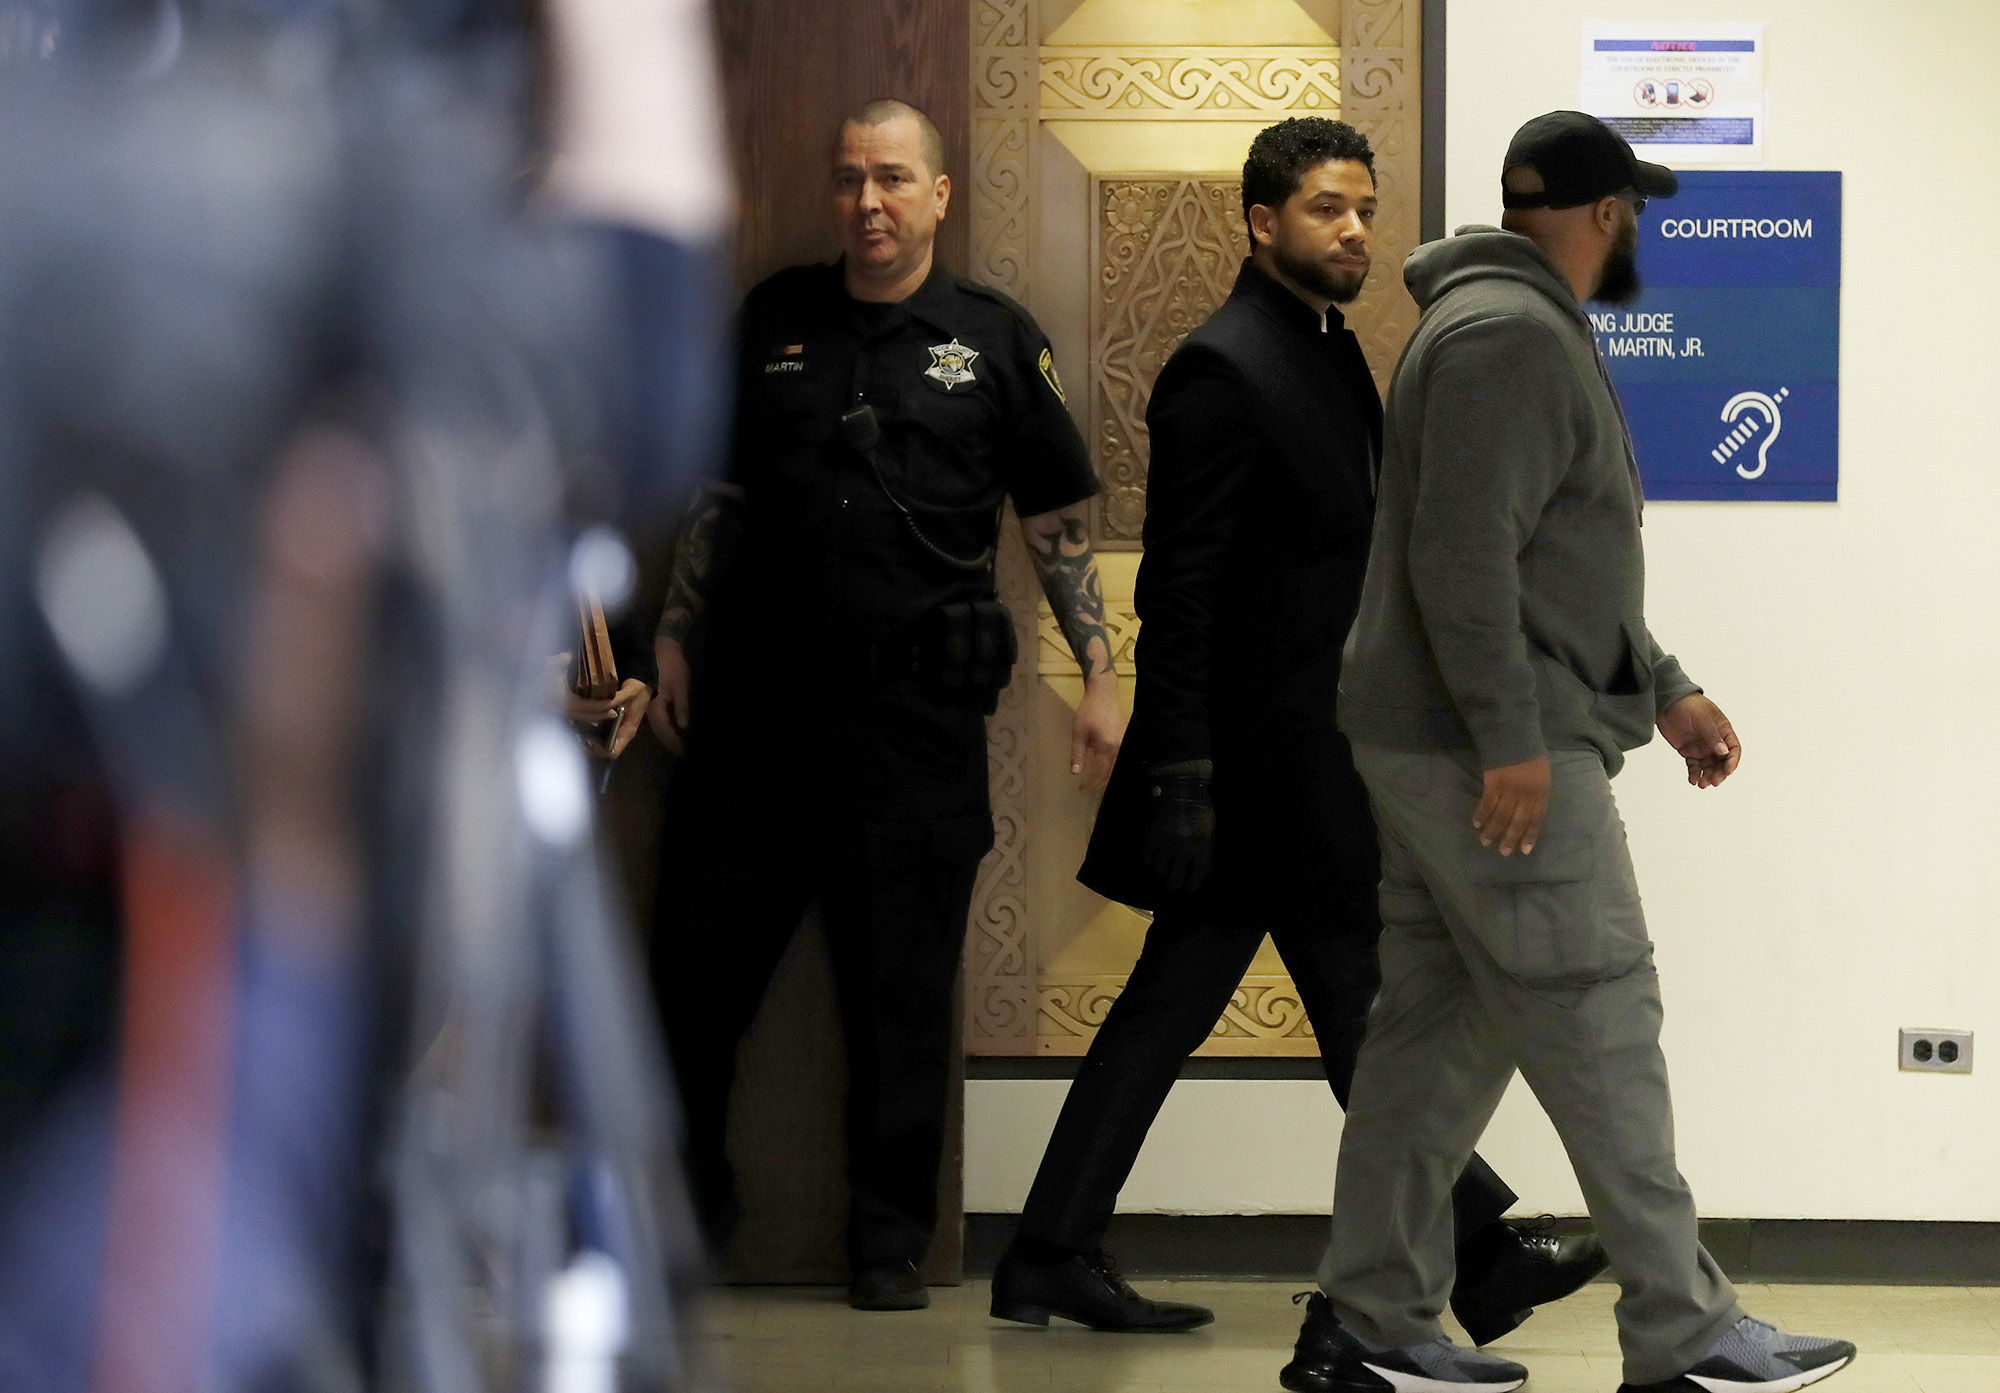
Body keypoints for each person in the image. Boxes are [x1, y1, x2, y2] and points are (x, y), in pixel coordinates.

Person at [988, 118, 1605, 1339]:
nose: (1354, 231)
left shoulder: (1325, 353)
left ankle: (1048, 1249)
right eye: (1327, 209)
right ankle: (1475, 1249)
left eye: (1364, 209)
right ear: (1261, 222)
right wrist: (1178, 769)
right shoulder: (1222, 366)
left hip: (1305, 763)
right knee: (1354, 1002)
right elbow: (1182, 587)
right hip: (1248, 772)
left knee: (1216, 1006)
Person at [1279, 112, 1856, 1393]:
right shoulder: (1507, 336)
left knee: (1432, 1040)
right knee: (1599, 1015)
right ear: (1607, 214)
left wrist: (1661, 684)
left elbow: (1552, 563)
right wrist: (1512, 743)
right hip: (1491, 748)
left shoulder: (1499, 324)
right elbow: (1461, 563)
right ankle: (1682, 1330)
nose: (1634, 230)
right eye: (1632, 211)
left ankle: (1371, 1325)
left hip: (1447, 736)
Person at [644, 98, 1123, 1312]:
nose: (870, 201)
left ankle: (884, 1242)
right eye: (852, 178)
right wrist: (677, 626)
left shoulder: (993, 340)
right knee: (688, 981)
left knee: (900, 1002)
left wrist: (1102, 675)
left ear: (939, 197)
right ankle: (689, 1214)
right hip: (754, 722)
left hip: (914, 727)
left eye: (895, 179)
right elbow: (720, 491)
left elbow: (1056, 521)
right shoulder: (773, 322)